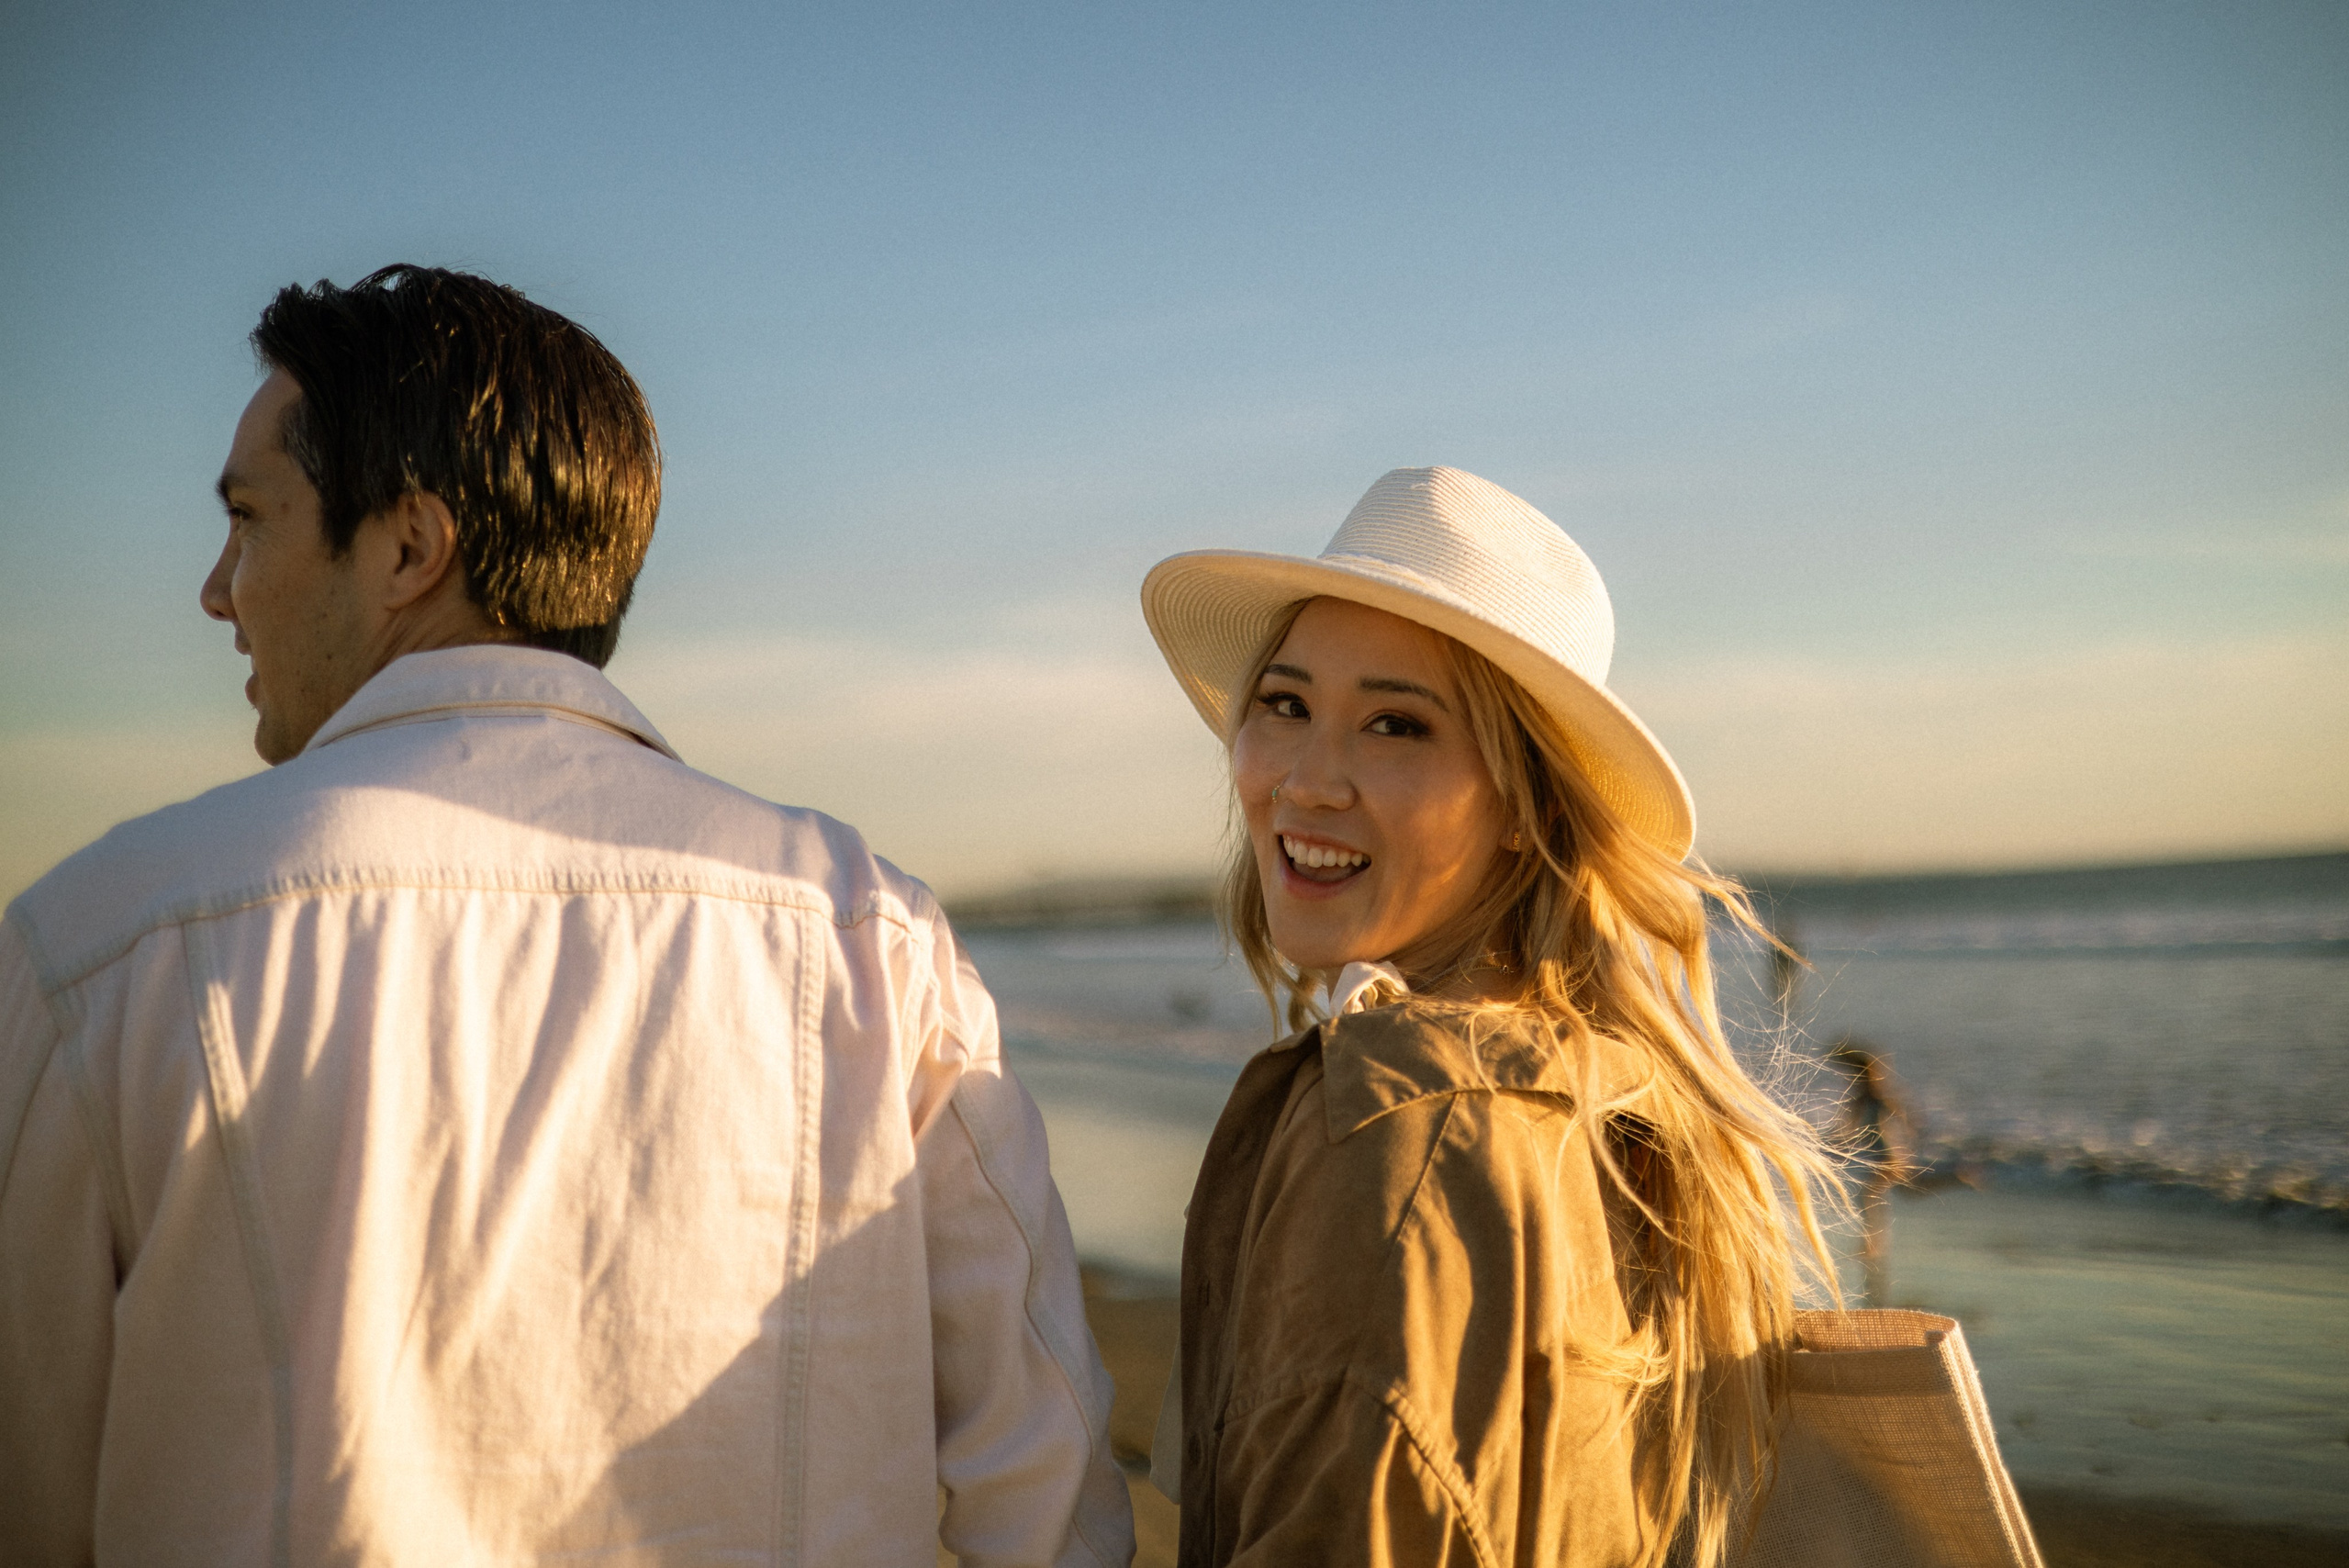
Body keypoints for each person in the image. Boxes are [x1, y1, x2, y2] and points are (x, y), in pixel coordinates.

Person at [0, 266, 1133, 1566]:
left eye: (251, 521)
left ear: (411, 549)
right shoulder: (866, 935)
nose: (218, 587)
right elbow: (1046, 1498)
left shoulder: (103, 946)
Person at [1137, 467, 1840, 1568]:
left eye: (1395, 726)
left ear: (1527, 806)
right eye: (1284, 705)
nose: (1308, 780)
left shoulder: (1399, 1132)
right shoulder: (1605, 1090)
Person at [1827, 1036, 1919, 1308]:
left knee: (1869, 1194)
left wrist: (1833, 1143)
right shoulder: (1870, 1096)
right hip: (1887, 1156)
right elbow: (1848, 1131)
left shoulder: (1874, 1096)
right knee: (1910, 1191)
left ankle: (1873, 1245)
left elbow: (1849, 1130)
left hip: (1890, 1157)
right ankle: (1961, 1176)